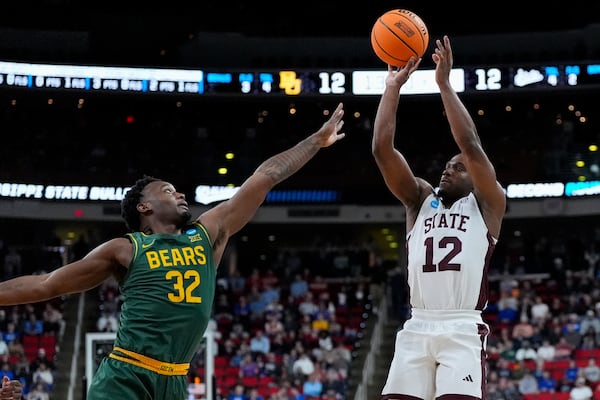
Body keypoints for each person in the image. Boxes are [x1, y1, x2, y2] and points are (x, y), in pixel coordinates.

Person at [0, 103, 346, 400]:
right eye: (168, 190)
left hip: (175, 378)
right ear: (144, 208)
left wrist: (315, 141)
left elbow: (265, 175)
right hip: (126, 376)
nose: (179, 194)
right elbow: (47, 285)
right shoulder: (127, 248)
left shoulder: (207, 233)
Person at [372, 35, 506, 400]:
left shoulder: (488, 204)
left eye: (458, 169)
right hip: (417, 325)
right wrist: (391, 88)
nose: (448, 170)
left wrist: (444, 84)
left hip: (461, 327)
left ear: (474, 178)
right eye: (446, 166)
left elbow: (471, 146)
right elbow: (382, 150)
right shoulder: (419, 201)